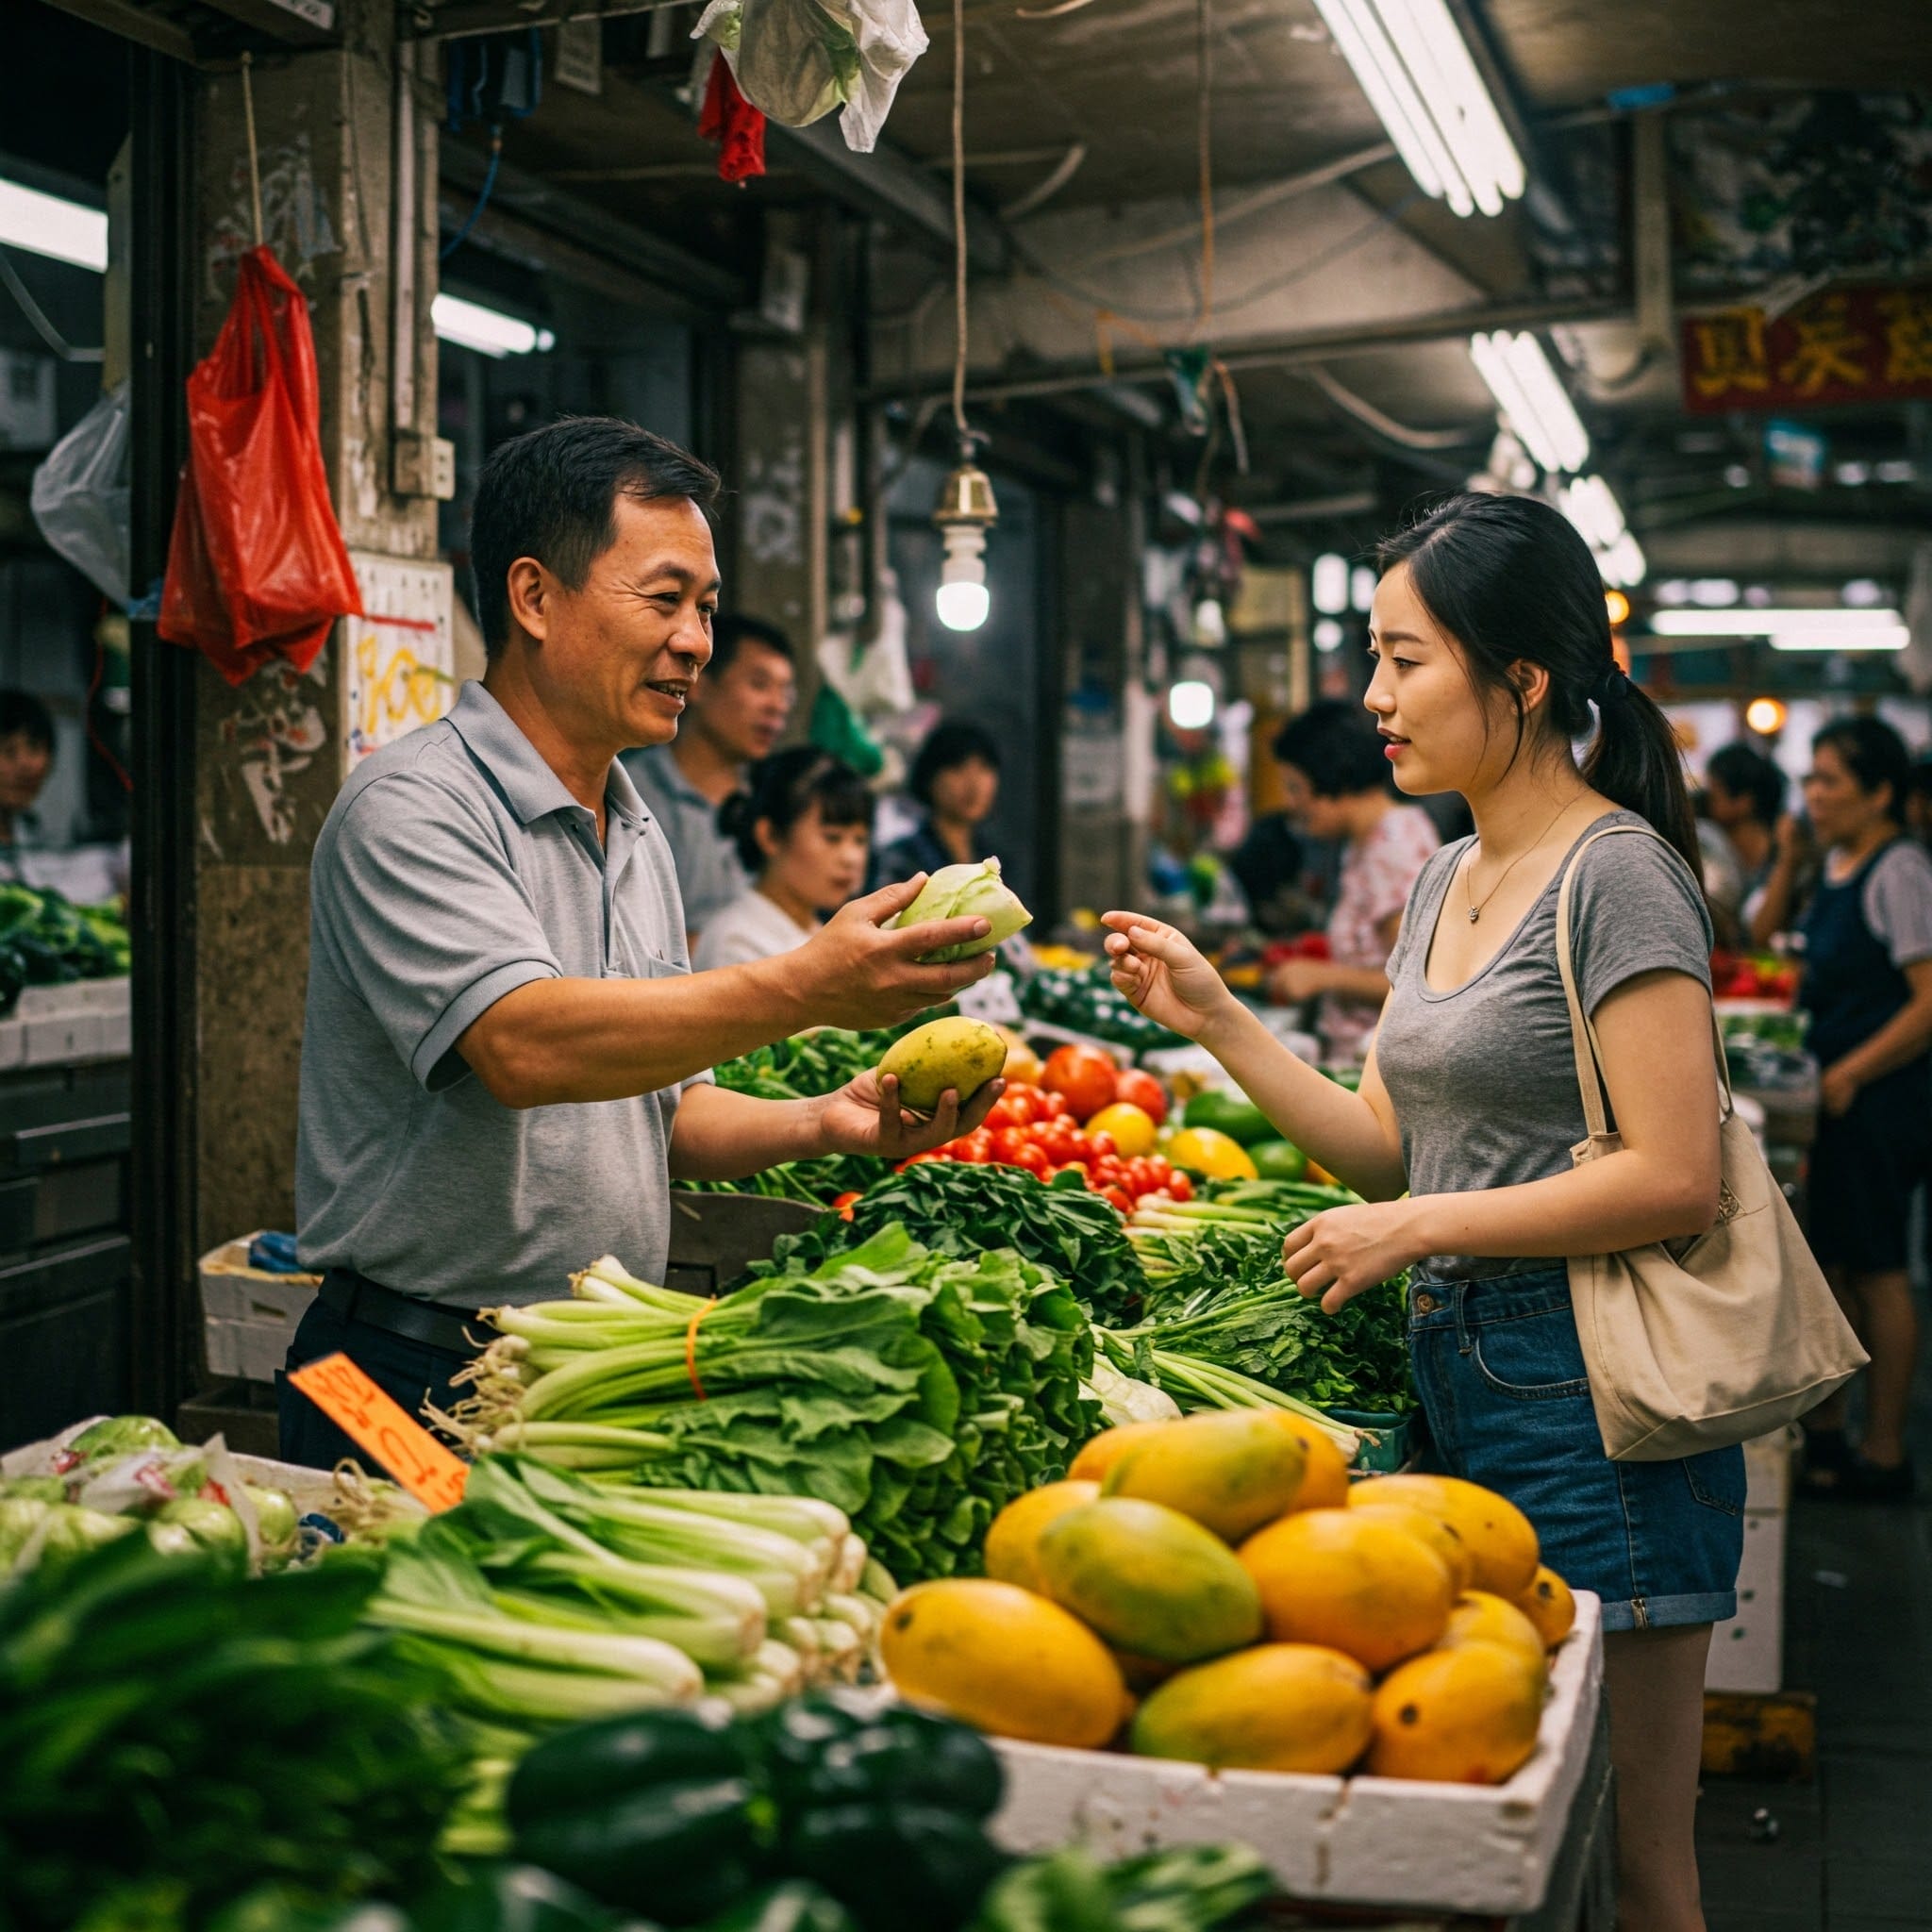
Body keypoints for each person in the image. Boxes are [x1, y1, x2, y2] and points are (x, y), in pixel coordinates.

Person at [1103, 493, 1739, 1932]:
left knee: (1631, 1855)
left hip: (1603, 1399)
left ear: (1520, 678)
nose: (1374, 698)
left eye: (1406, 660)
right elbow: (1386, 1152)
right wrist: (1213, 1016)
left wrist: (1422, 1233)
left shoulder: (1618, 875)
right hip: (1455, 1377)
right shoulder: (1447, 875)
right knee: (1497, 1854)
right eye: (1374, 659)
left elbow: (1671, 1174)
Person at [284, 419, 1001, 1469]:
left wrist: (824, 1121)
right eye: (664, 600)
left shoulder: (637, 830)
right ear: (532, 597)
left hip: (583, 1367)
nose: (697, 641)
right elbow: (524, 1046)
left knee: (547, 1635)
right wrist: (809, 984)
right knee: (407, 1614)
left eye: (704, 608)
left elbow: (661, 1115)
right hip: (400, 1369)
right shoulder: (412, 807)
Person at [1790, 717, 1932, 1502]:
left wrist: (1852, 1073)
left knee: (1878, 1269)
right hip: (1839, 1100)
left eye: (1831, 781)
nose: (1814, 795)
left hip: (1882, 1103)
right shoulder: (1836, 862)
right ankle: (1832, 1438)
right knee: (1838, 1262)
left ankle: (1884, 1452)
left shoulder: (1900, 869)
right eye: (1810, 778)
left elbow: (1928, 1000)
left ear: (1881, 792)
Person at [1264, 701, 1439, 1063]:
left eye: (1296, 787)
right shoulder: (1365, 841)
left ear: (1331, 777)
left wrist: (1321, 977)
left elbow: (1417, 981)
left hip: (1379, 1064)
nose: (1292, 804)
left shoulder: (1393, 845)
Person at [622, 613, 798, 941]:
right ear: (699, 684)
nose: (777, 706)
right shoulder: (632, 793)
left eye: (786, 693)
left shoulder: (774, 799)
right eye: (760, 685)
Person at [693, 748, 873, 970]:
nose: (852, 858)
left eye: (860, 840)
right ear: (769, 836)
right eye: (832, 838)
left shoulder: (816, 930)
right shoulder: (736, 943)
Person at [875, 720, 1000, 882]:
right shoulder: (903, 859)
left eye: (984, 768)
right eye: (958, 768)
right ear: (930, 778)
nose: (974, 783)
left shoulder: (996, 860)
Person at [1703, 741, 1788, 946]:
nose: (1708, 798)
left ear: (1744, 801)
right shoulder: (1712, 846)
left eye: (1715, 789)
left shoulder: (1784, 854)